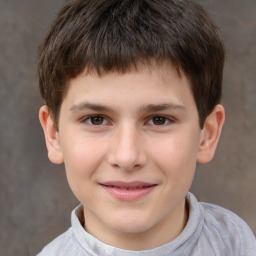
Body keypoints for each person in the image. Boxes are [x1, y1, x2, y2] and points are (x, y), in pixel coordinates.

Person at [36, 0, 256, 255]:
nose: (127, 157)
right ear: (54, 135)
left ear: (206, 135)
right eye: (96, 119)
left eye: (159, 120)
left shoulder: (235, 241)